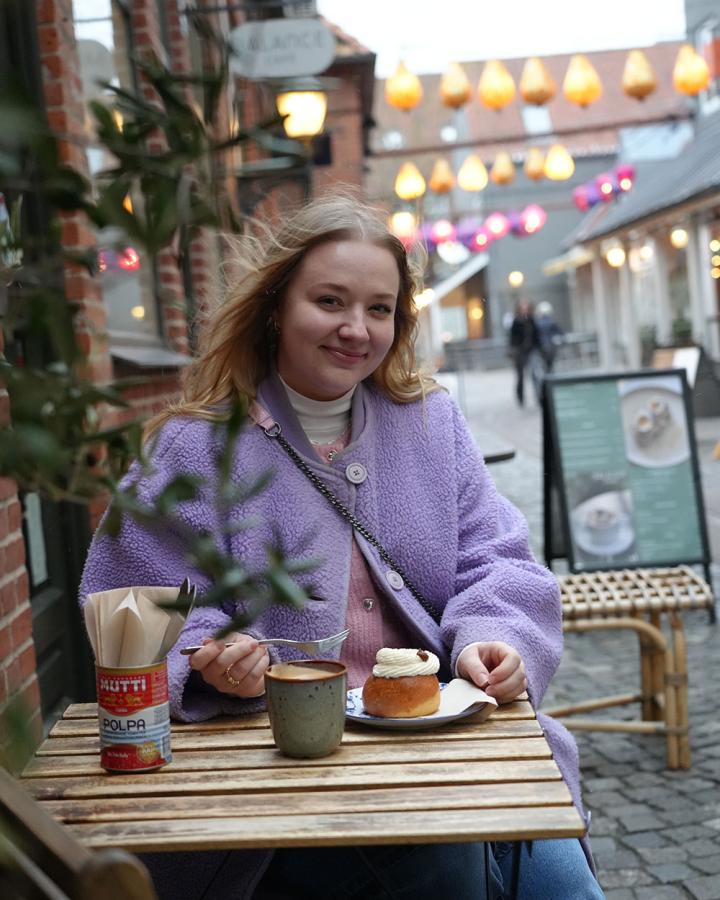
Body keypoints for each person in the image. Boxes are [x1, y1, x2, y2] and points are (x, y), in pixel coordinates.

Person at [80, 194, 604, 900]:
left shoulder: (431, 423)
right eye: (330, 301)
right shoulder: (194, 447)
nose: (356, 330)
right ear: (276, 307)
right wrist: (209, 659)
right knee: (443, 863)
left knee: (567, 890)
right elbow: (133, 599)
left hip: (444, 747)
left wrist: (494, 637)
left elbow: (498, 558)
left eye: (380, 309)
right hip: (288, 783)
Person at [508, 300, 540, 407]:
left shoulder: (532, 320)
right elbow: (512, 338)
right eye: (523, 308)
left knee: (535, 374)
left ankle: (538, 396)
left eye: (526, 308)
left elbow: (536, 336)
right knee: (520, 377)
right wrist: (514, 350)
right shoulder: (516, 322)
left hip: (531, 351)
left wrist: (538, 348)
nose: (525, 310)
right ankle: (521, 398)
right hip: (520, 352)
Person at [535, 301, 564, 375]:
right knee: (549, 365)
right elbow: (560, 333)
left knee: (545, 365)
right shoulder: (552, 322)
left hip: (543, 346)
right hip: (550, 346)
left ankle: (547, 379)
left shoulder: (538, 323)